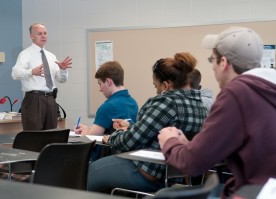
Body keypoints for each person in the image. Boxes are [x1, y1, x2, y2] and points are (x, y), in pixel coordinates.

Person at [158, 27, 276, 198]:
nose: (212, 67)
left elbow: (193, 164)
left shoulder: (236, 93)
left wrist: (169, 142)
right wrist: (189, 146)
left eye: (212, 59)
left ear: (223, 62)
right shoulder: (267, 90)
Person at [87, 52, 208, 193]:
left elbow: (130, 141)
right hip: (176, 176)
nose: (156, 91)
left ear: (166, 85)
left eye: (155, 86)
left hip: (149, 172)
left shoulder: (166, 102)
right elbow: (159, 129)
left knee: (90, 172)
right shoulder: (199, 105)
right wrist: (131, 127)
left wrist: (112, 137)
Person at [12, 23, 72, 130]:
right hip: (34, 99)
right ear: (32, 36)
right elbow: (15, 74)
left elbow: (61, 79)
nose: (43, 36)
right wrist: (31, 72)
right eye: (39, 34)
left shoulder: (51, 56)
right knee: (34, 137)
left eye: (45, 33)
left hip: (51, 98)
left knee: (51, 134)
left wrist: (63, 70)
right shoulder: (25, 54)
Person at [74, 61, 138, 136]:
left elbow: (91, 137)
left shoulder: (108, 107)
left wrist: (84, 133)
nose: (100, 89)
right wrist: (88, 129)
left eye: (100, 84)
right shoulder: (133, 103)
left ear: (108, 81)